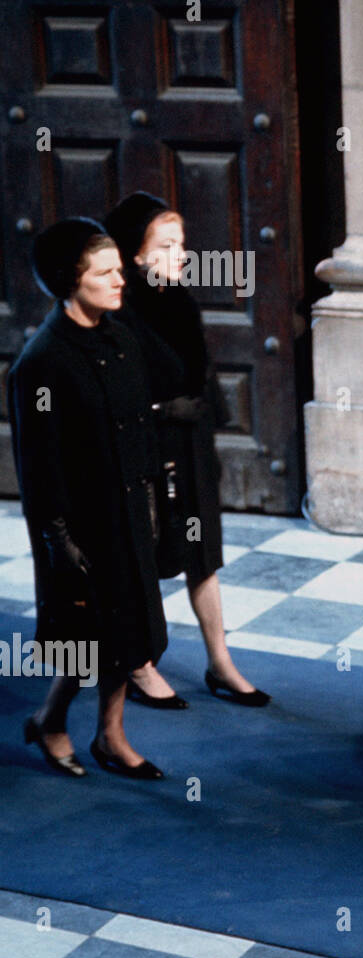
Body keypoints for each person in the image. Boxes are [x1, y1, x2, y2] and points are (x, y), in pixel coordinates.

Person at [10, 219, 168, 779]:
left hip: (129, 510)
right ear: (69, 281)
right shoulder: (43, 362)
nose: (120, 280)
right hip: (79, 523)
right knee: (85, 637)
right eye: (105, 273)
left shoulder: (122, 338)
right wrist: (58, 539)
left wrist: (155, 503)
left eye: (119, 269)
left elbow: (143, 429)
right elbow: (38, 462)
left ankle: (109, 734)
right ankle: (51, 721)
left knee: (129, 632)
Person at [104, 193, 269, 706]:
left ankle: (220, 662)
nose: (180, 255)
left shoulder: (180, 301)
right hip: (148, 451)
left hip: (191, 445)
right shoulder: (117, 313)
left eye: (183, 245)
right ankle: (138, 663)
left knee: (203, 556)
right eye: (166, 246)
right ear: (135, 255)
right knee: (144, 556)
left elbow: (201, 379)